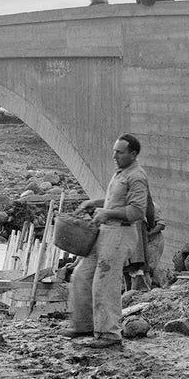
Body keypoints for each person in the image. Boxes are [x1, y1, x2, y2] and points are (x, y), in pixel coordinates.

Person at [63, 134, 150, 348]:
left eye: (120, 152)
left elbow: (137, 211)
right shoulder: (121, 173)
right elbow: (115, 201)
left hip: (120, 233)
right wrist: (95, 203)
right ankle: (84, 325)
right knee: (81, 275)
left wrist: (107, 213)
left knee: (105, 283)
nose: (114, 156)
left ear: (133, 154)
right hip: (106, 231)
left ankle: (109, 334)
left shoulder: (137, 176)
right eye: (114, 152)